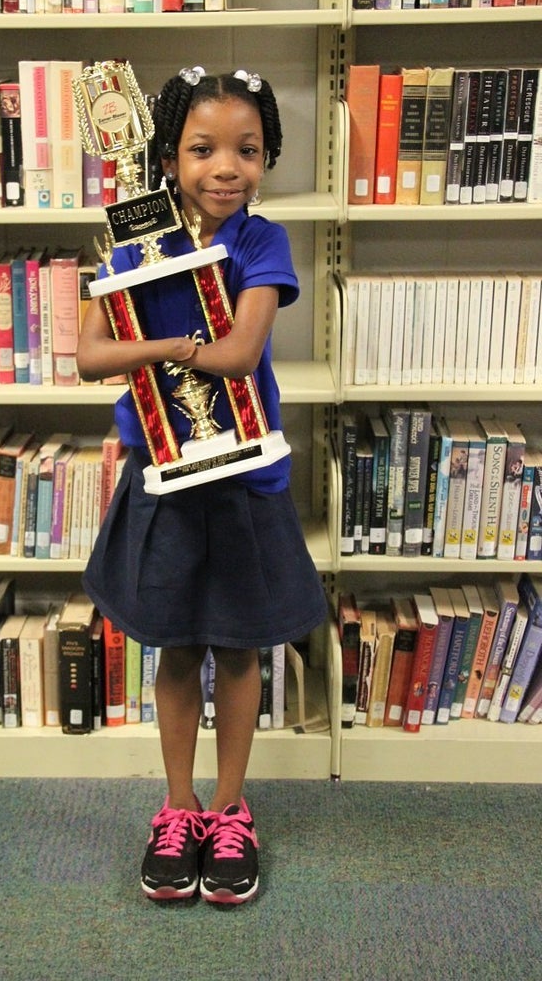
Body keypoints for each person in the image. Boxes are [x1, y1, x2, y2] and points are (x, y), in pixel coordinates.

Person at [77, 65, 327, 906]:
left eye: (248, 150)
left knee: (241, 644)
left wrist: (160, 341)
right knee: (177, 644)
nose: (227, 167)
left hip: (245, 475)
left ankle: (230, 810)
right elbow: (87, 357)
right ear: (169, 155)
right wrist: (166, 340)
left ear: (268, 157)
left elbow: (234, 355)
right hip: (164, 472)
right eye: (203, 149)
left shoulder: (262, 243)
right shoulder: (133, 240)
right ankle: (177, 807)